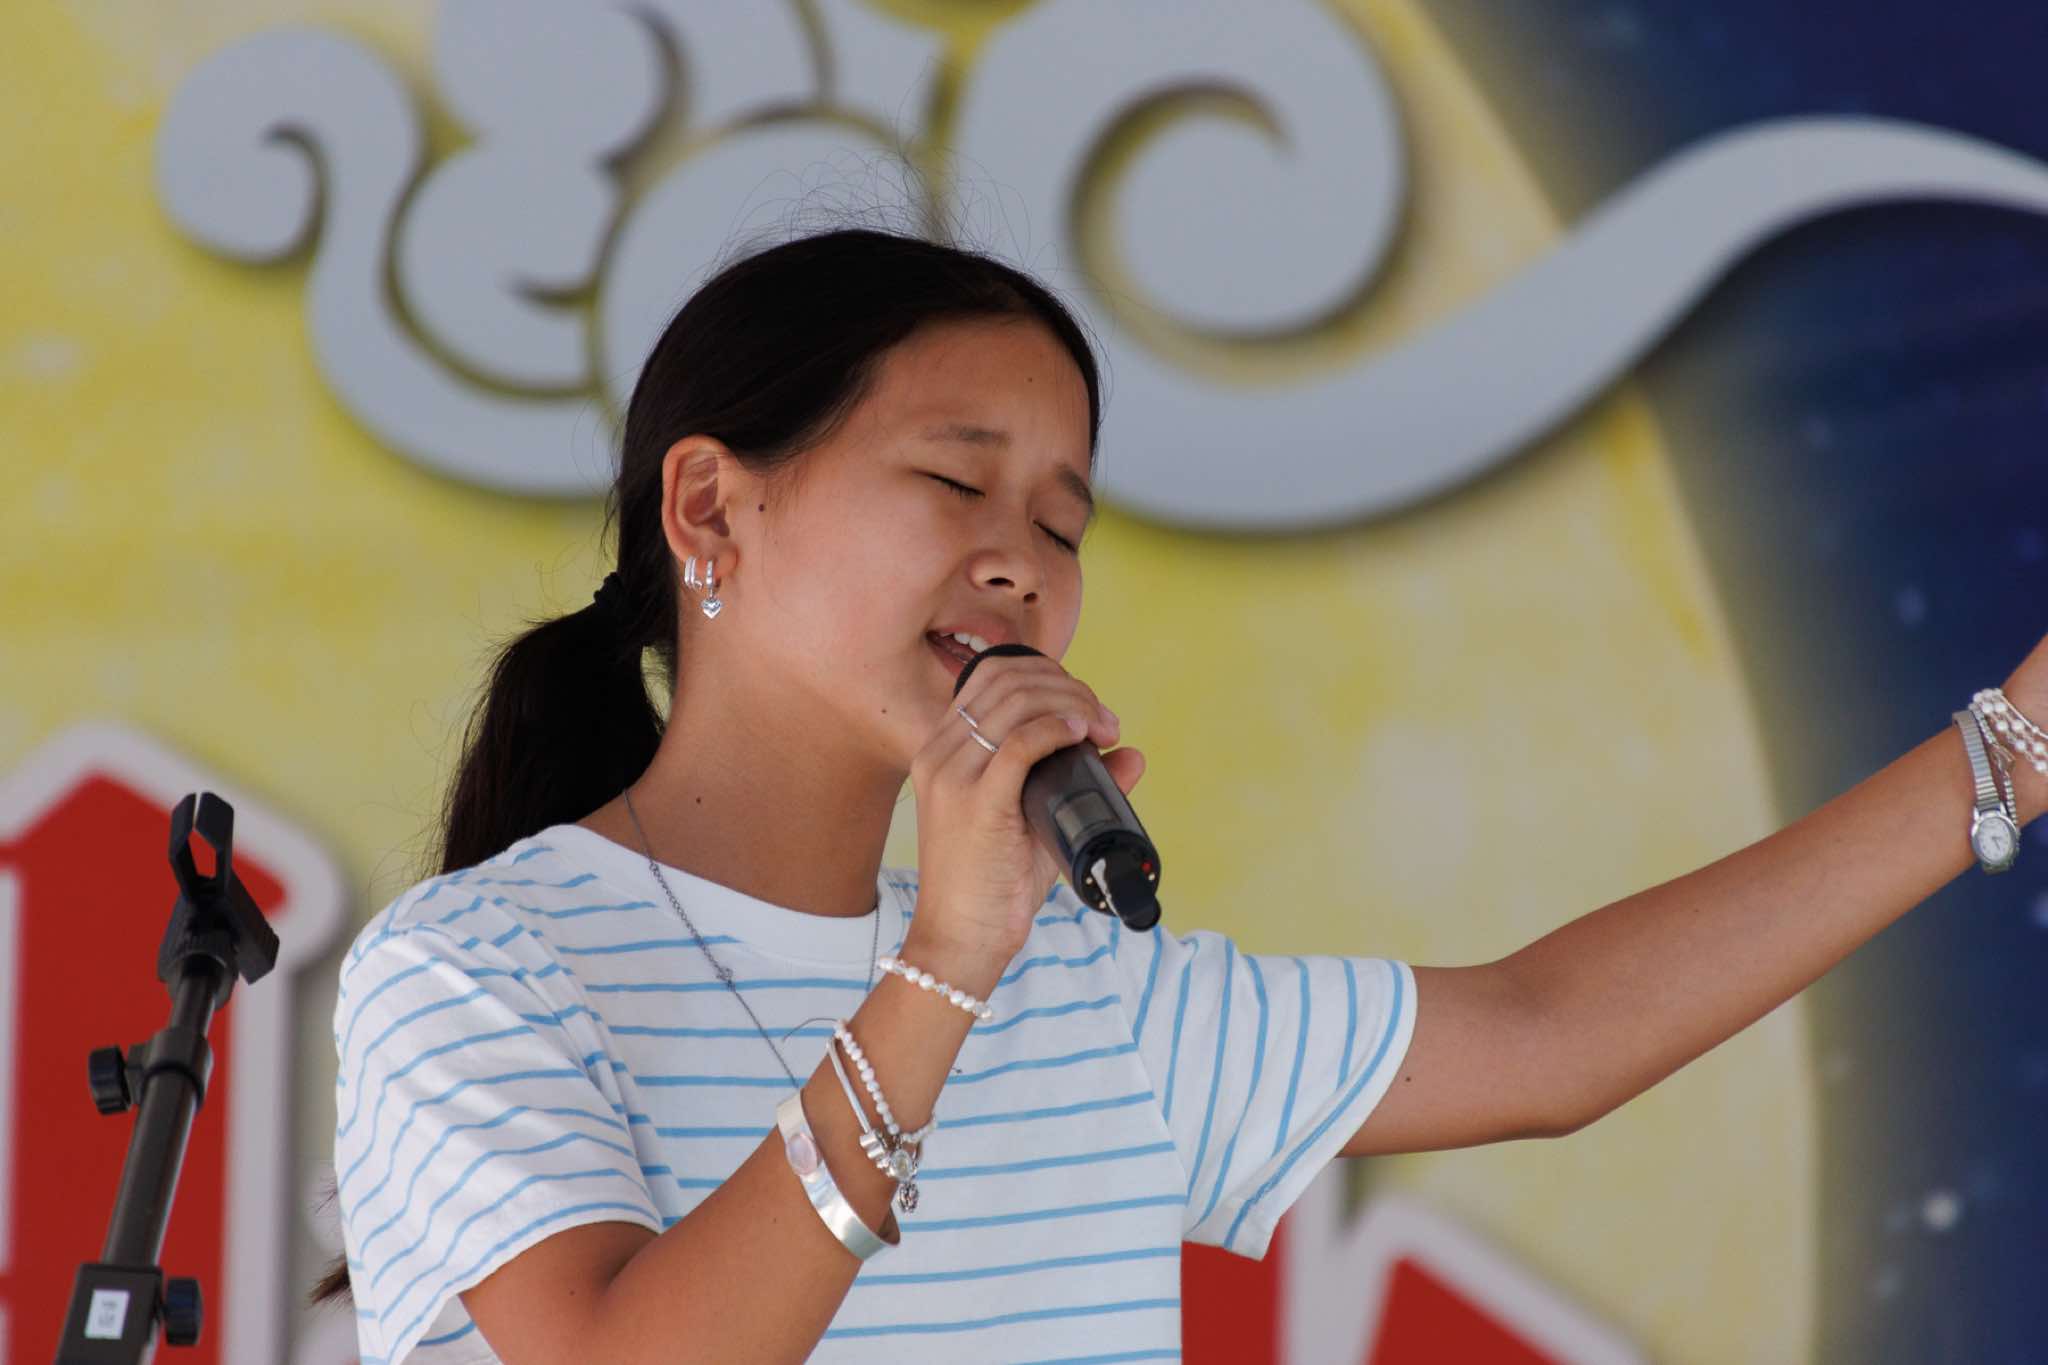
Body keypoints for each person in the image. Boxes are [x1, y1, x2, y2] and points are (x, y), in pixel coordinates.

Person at [316, 225, 2048, 1364]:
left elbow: (1549, 1033)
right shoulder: (474, 968)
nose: (1020, 563)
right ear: (711, 509)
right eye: (955, 483)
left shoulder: (1079, 991)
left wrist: (2016, 751)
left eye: (1062, 524)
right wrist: (942, 965)